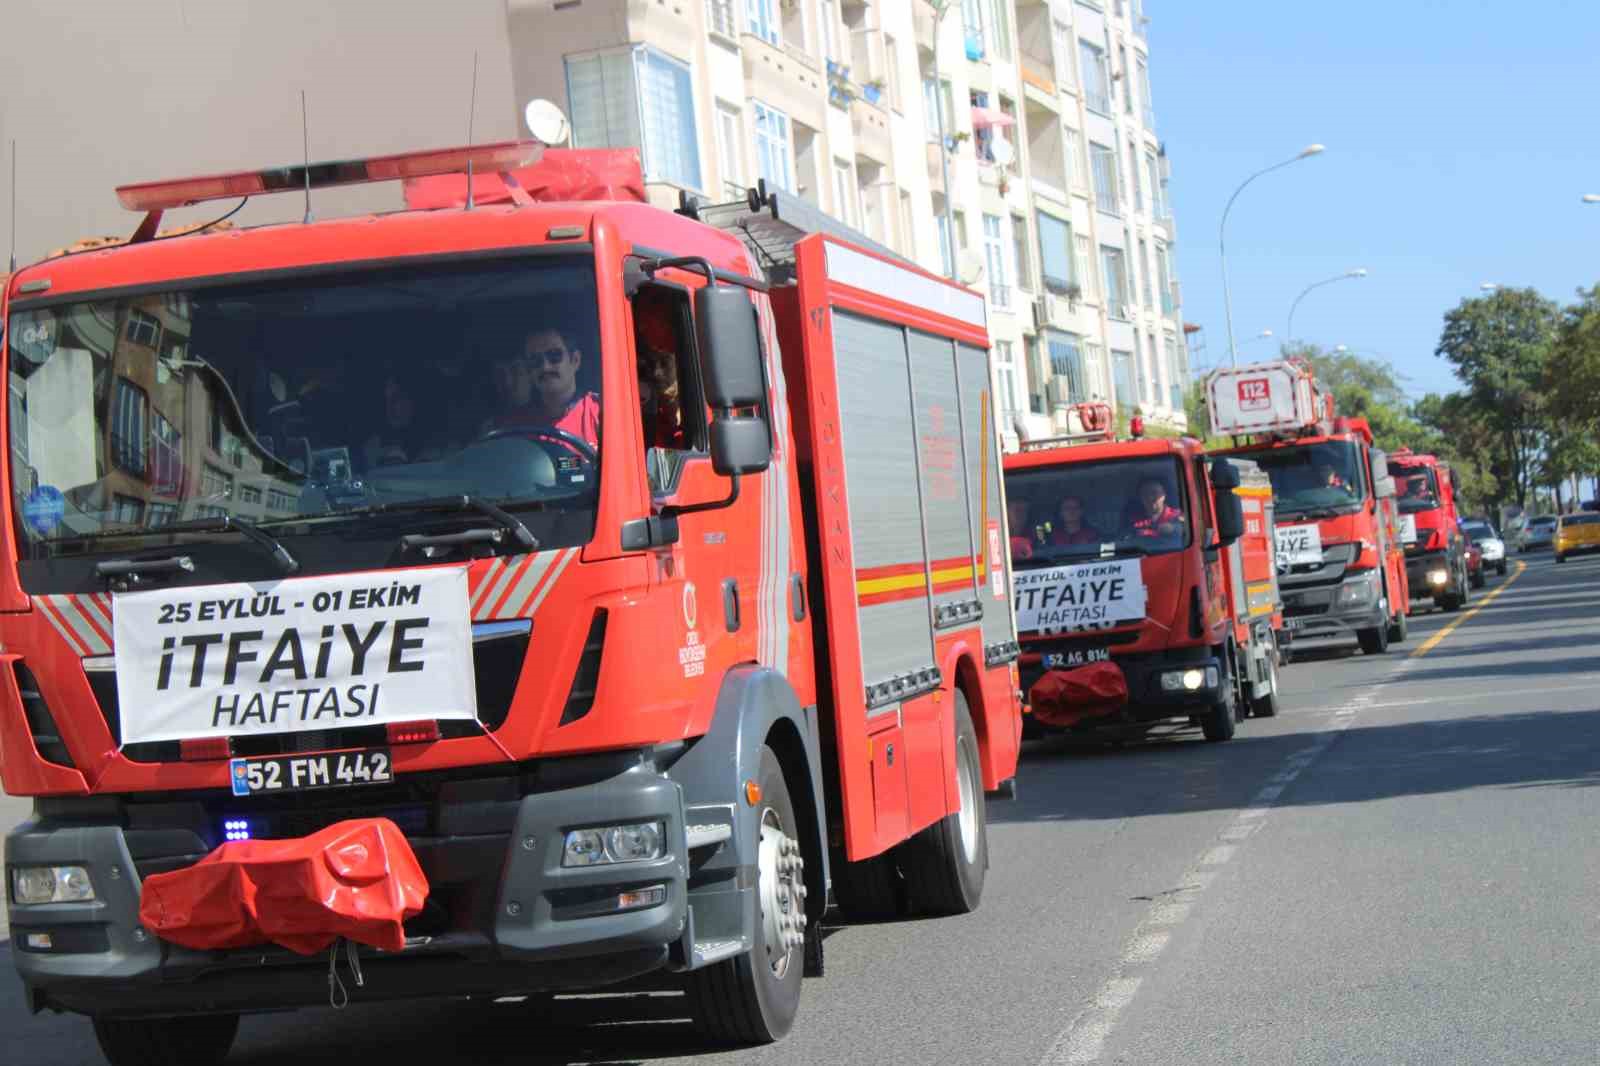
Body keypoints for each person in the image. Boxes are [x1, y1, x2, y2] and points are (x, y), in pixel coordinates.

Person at [482, 326, 600, 450]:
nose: (545, 367)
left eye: (554, 356)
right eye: (535, 361)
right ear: (529, 371)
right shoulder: (514, 428)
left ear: (575, 360)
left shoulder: (600, 413)